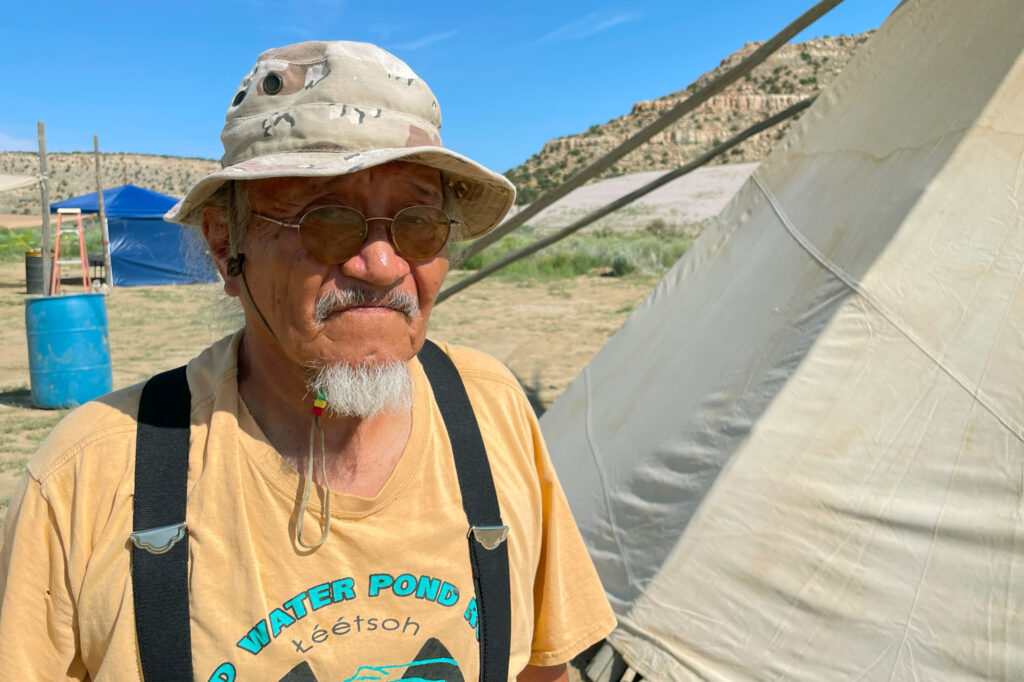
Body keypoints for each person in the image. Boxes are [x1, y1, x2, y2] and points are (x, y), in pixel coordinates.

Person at [0, 40, 615, 681]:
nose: (381, 265)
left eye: (420, 222)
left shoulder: (491, 412)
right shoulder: (91, 478)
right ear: (225, 244)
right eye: (326, 219)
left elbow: (541, 667)